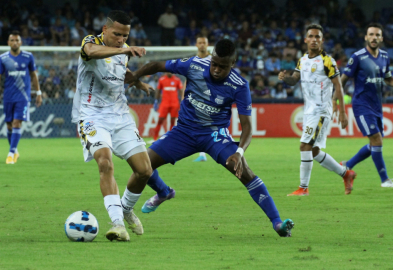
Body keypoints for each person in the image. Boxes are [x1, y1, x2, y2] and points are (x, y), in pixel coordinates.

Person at [126, 39, 295, 237]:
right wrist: (135, 76)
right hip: (184, 132)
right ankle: (164, 192)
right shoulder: (195, 65)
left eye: (222, 67)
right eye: (214, 63)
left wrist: (239, 153)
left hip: (214, 135)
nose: (215, 69)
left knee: (244, 171)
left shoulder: (239, 85)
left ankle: (277, 223)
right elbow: (156, 65)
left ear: (232, 65)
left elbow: (247, 127)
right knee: (142, 165)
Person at [72, 10, 154, 242]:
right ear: (105, 29)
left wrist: (139, 83)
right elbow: (92, 52)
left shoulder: (122, 51)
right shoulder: (91, 42)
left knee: (144, 170)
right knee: (105, 162)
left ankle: (126, 208)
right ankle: (117, 223)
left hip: (120, 116)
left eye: (125, 36)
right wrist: (125, 49)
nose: (121, 39)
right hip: (91, 116)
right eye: (117, 34)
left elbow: (121, 71)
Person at [279, 24, 356, 196]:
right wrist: (285, 79)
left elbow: (338, 86)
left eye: (317, 37)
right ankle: (346, 174)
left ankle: (303, 188)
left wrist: (342, 111)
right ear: (305, 39)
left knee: (304, 145)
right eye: (311, 36)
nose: (314, 39)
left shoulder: (327, 61)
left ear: (322, 40)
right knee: (313, 151)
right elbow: (294, 80)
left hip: (321, 110)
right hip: (308, 111)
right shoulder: (302, 60)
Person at [338, 23, 393, 188]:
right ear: (366, 37)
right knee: (376, 140)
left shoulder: (384, 56)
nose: (374, 38)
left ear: (381, 38)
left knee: (375, 143)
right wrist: (337, 103)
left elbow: (388, 78)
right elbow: (342, 80)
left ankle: (347, 165)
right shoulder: (357, 57)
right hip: (361, 104)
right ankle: (384, 180)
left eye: (377, 35)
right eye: (371, 34)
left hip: (376, 105)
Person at [0, 31, 42, 164]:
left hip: (23, 96)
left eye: (17, 40)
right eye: (12, 40)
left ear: (21, 42)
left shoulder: (28, 56)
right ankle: (15, 150)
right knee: (9, 125)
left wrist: (38, 93)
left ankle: (10, 154)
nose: (14, 42)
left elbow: (33, 75)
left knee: (16, 123)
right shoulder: (3, 58)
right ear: (8, 43)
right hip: (8, 96)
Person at [193, 36, 211, 162]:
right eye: (200, 43)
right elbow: (189, 80)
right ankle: (202, 154)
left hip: (211, 99)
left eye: (204, 43)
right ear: (196, 45)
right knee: (199, 126)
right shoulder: (192, 61)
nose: (202, 45)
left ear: (208, 44)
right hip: (195, 98)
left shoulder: (213, 61)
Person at [152, 73, 183, 142]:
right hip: (164, 104)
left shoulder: (177, 80)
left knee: (172, 121)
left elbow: (181, 91)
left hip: (174, 104)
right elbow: (158, 90)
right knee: (160, 120)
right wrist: (156, 101)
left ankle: (170, 138)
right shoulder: (162, 79)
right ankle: (154, 138)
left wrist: (182, 100)